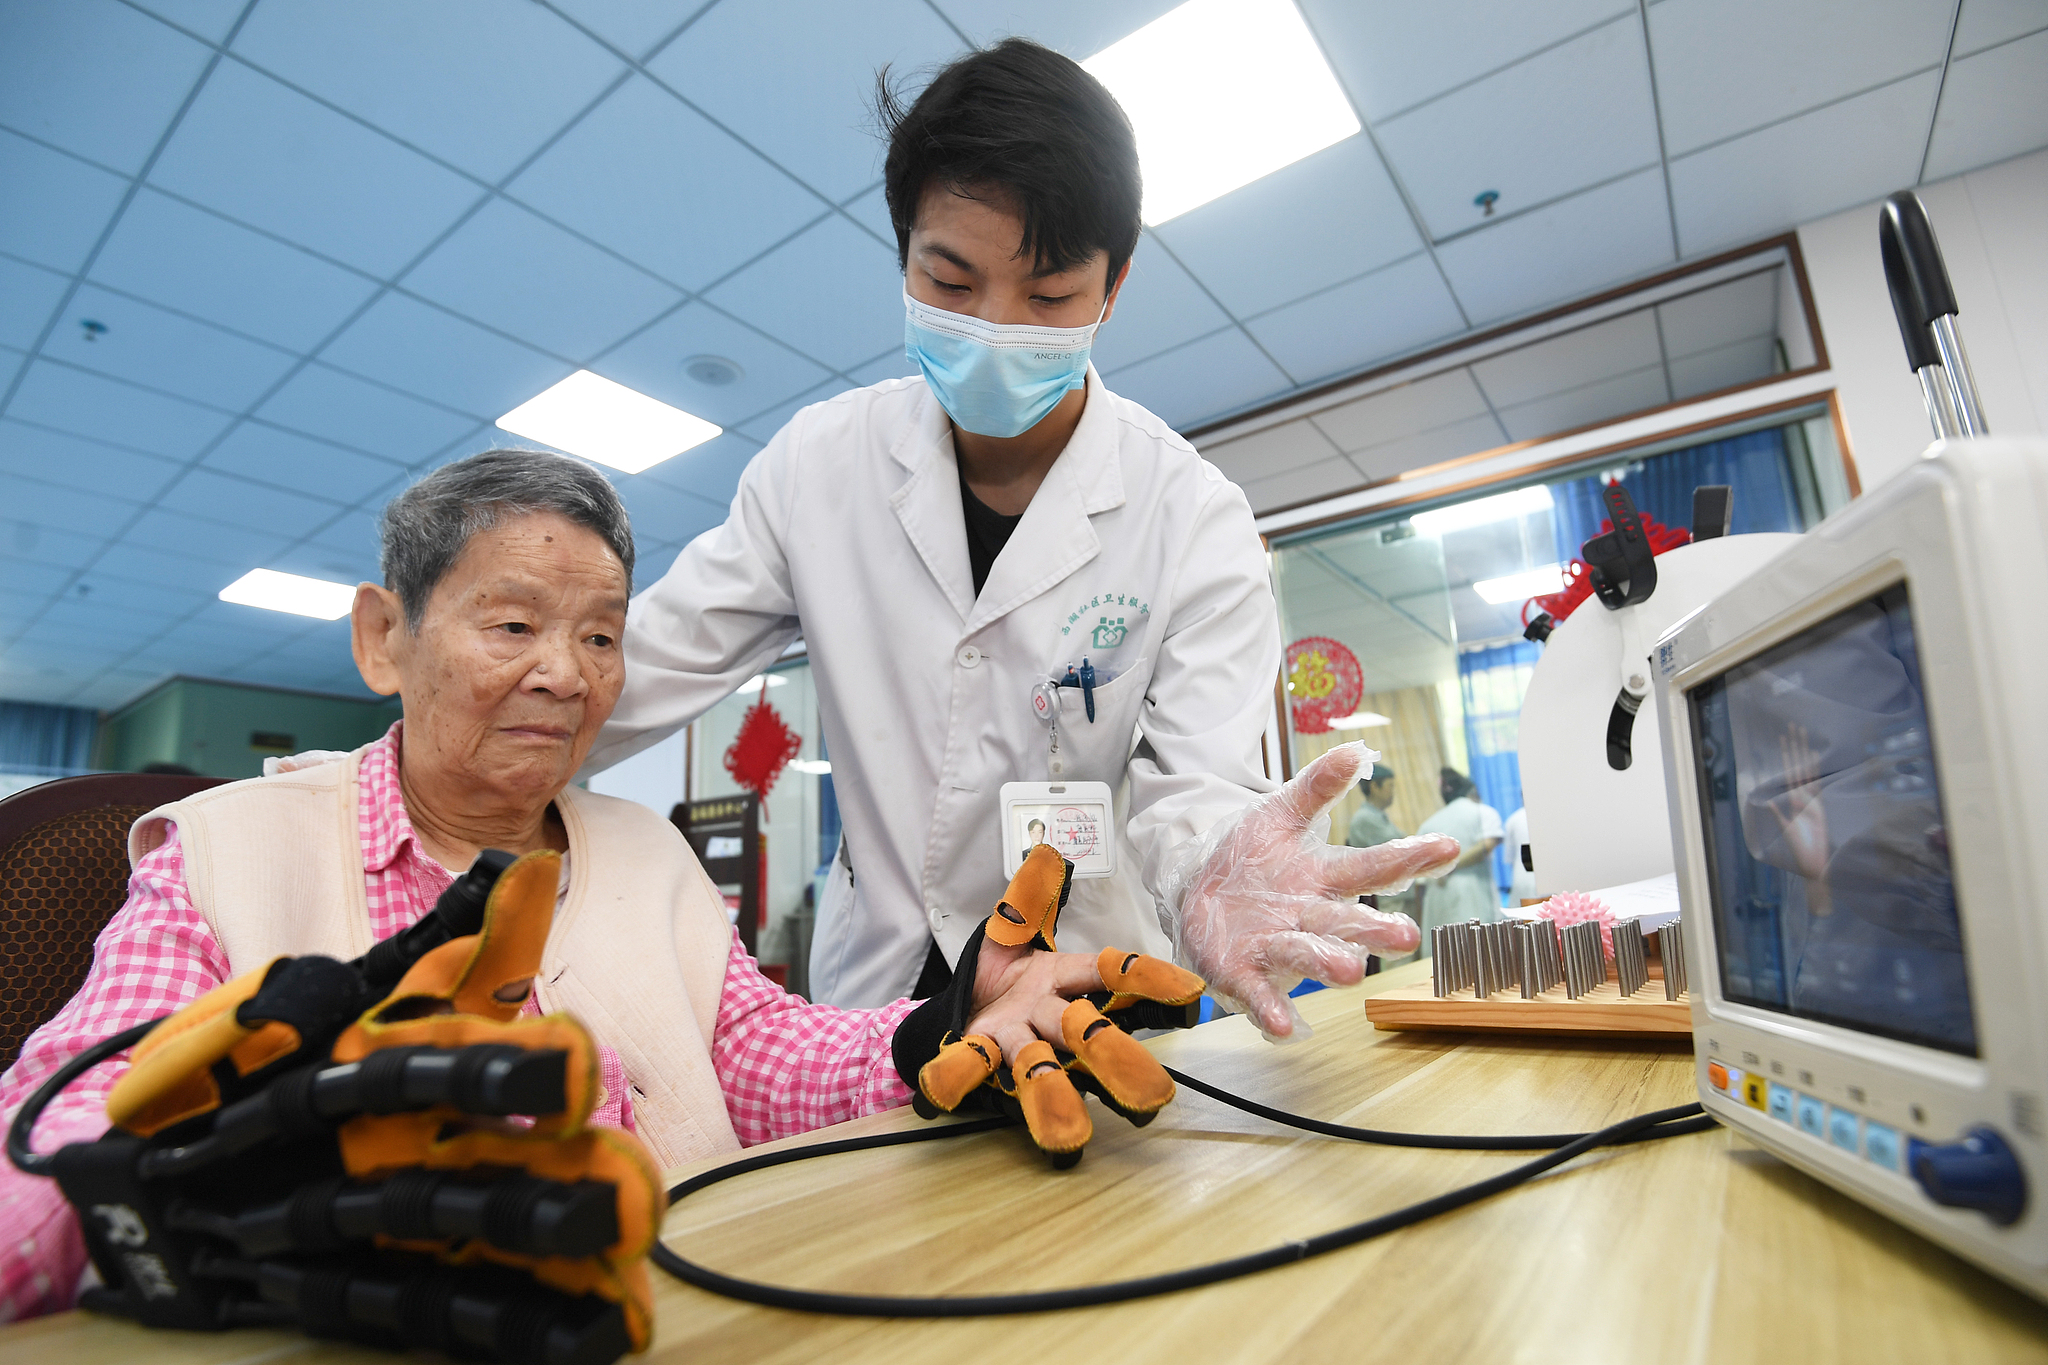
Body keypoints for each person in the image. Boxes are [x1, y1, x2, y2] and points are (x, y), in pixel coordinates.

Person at [0, 450, 1139, 1322]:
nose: (565, 673)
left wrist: (944, 1024)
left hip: (689, 1312)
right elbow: (50, 1145)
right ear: (384, 639)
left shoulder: (644, 850)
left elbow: (755, 1055)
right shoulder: (222, 857)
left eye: (600, 636)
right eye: (512, 624)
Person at [586, 38, 1455, 1035]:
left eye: (1046, 299)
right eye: (950, 283)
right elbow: (641, 668)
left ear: (1112, 289)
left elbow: (1197, 789)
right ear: (901, 253)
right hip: (880, 1005)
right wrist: (464, 742)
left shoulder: (1189, 516)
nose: (995, 327)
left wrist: (1218, 866)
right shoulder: (815, 467)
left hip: (1097, 985)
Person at [1416, 768, 1505, 945]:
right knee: (1480, 952)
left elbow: (1419, 882)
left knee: (1443, 958)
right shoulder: (1482, 812)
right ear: (1471, 791)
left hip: (1437, 898)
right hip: (1474, 894)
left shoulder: (1428, 824)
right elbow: (1486, 845)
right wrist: (1453, 865)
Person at [1346, 764, 1419, 960]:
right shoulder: (1364, 820)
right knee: (1398, 958)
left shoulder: (1379, 817)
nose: (1392, 792)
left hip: (1398, 897)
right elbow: (1396, 851)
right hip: (1386, 900)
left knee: (1407, 954)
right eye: (1389, 786)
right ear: (1374, 787)